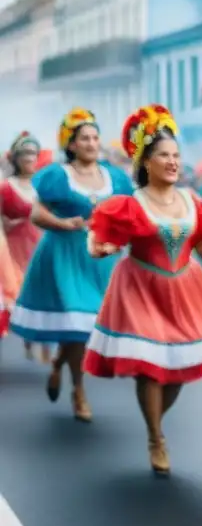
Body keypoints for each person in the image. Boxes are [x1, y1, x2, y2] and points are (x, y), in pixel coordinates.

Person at [83, 105, 202, 474]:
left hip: (186, 288)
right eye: (164, 156)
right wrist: (101, 248)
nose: (173, 162)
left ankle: (157, 420)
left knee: (179, 368)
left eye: (176, 156)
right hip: (139, 287)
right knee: (150, 368)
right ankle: (156, 436)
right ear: (146, 162)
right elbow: (100, 241)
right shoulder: (129, 204)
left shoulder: (193, 203)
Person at [10, 109, 133, 422]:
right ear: (72, 144)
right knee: (79, 327)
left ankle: (57, 365)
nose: (92, 143)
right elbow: (37, 214)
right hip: (64, 256)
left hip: (101, 262)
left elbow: (126, 214)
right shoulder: (57, 175)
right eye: (84, 138)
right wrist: (64, 223)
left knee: (89, 329)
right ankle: (79, 390)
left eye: (94, 137)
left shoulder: (115, 177)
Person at [1, 132, 46, 361]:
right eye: (25, 153)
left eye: (33, 153)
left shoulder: (45, 185)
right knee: (16, 295)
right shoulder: (5, 188)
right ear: (15, 158)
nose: (29, 158)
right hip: (12, 250)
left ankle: (41, 342)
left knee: (42, 295)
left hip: (39, 246)